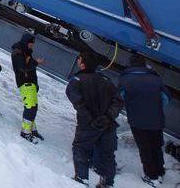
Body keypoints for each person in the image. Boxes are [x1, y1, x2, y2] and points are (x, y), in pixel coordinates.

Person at [66, 51, 123, 188]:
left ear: (83, 64)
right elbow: (118, 101)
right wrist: (108, 117)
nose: (78, 60)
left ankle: (81, 179)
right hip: (107, 126)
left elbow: (78, 103)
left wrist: (91, 119)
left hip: (87, 126)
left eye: (79, 59)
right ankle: (107, 183)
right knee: (107, 155)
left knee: (80, 149)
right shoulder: (106, 81)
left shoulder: (76, 82)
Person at [117, 54, 170, 187]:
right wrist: (155, 107)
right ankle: (160, 171)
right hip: (156, 119)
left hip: (137, 120)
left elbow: (119, 97)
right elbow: (166, 98)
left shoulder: (125, 79)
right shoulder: (155, 78)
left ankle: (151, 177)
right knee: (156, 146)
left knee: (145, 148)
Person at [11, 32, 46, 143]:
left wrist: (36, 84)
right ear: (27, 42)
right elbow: (23, 68)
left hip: (31, 84)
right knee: (30, 107)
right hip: (25, 84)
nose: (32, 46)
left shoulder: (25, 52)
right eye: (31, 43)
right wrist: (36, 63)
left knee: (33, 107)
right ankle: (25, 132)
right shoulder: (18, 52)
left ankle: (32, 129)